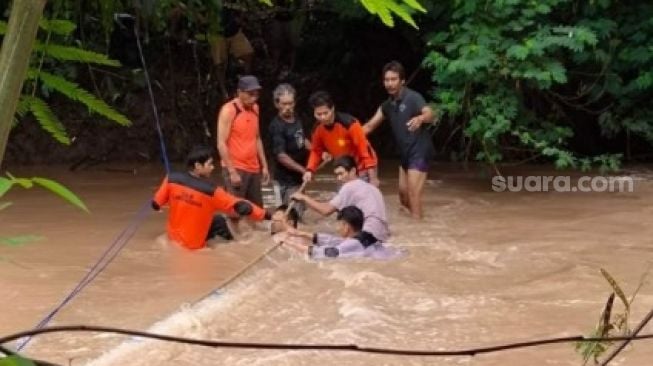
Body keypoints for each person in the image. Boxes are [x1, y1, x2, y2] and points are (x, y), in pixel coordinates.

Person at [152, 146, 271, 250]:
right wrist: (266, 215)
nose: (213, 167)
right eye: (210, 164)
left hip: (173, 240)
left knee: (218, 220)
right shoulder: (212, 191)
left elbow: (156, 203)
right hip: (194, 248)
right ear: (198, 166)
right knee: (227, 224)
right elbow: (242, 206)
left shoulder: (171, 178)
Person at [363, 61, 437, 219]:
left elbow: (431, 113)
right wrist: (347, 138)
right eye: (386, 80)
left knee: (413, 193)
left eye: (393, 79)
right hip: (405, 154)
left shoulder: (413, 97)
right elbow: (369, 126)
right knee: (403, 197)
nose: (389, 83)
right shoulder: (387, 106)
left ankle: (418, 230)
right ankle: (418, 223)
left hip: (420, 151)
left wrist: (421, 118)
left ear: (402, 80)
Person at [291, 155, 389, 243]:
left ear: (353, 171)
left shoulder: (349, 186)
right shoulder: (373, 188)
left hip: (367, 236)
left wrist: (303, 197)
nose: (339, 178)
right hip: (383, 235)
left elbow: (326, 210)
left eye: (341, 174)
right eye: (337, 175)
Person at [303, 91, 379, 187]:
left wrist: (373, 178)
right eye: (319, 114)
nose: (323, 117)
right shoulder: (317, 129)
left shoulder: (350, 124)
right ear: (314, 113)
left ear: (332, 109)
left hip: (362, 166)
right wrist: (309, 170)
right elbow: (316, 151)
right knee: (344, 198)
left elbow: (364, 151)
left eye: (325, 113)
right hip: (343, 167)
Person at [217, 75, 270, 210]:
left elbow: (257, 138)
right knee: (237, 211)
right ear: (240, 93)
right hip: (236, 167)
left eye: (256, 94)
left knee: (257, 211)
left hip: (253, 167)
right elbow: (221, 143)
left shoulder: (255, 108)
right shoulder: (229, 110)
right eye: (250, 94)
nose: (254, 98)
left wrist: (264, 166)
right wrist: (232, 172)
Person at [268, 83, 310, 218]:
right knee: (285, 217)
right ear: (276, 104)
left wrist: (318, 151)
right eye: (284, 104)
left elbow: (302, 140)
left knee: (299, 216)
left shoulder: (297, 118)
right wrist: (303, 170)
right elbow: (281, 156)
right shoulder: (276, 126)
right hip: (282, 182)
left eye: (290, 104)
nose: (288, 108)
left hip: (298, 179)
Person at [281, 206, 382, 259]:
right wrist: (299, 233)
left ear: (346, 227)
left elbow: (324, 253)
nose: (337, 229)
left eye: (339, 225)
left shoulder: (352, 243)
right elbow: (334, 241)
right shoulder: (365, 236)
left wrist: (287, 242)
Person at [207, 2, 254, 98]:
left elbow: (243, 8)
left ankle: (245, 85)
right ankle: (223, 89)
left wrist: (240, 18)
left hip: (234, 31)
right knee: (220, 64)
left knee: (248, 54)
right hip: (217, 33)